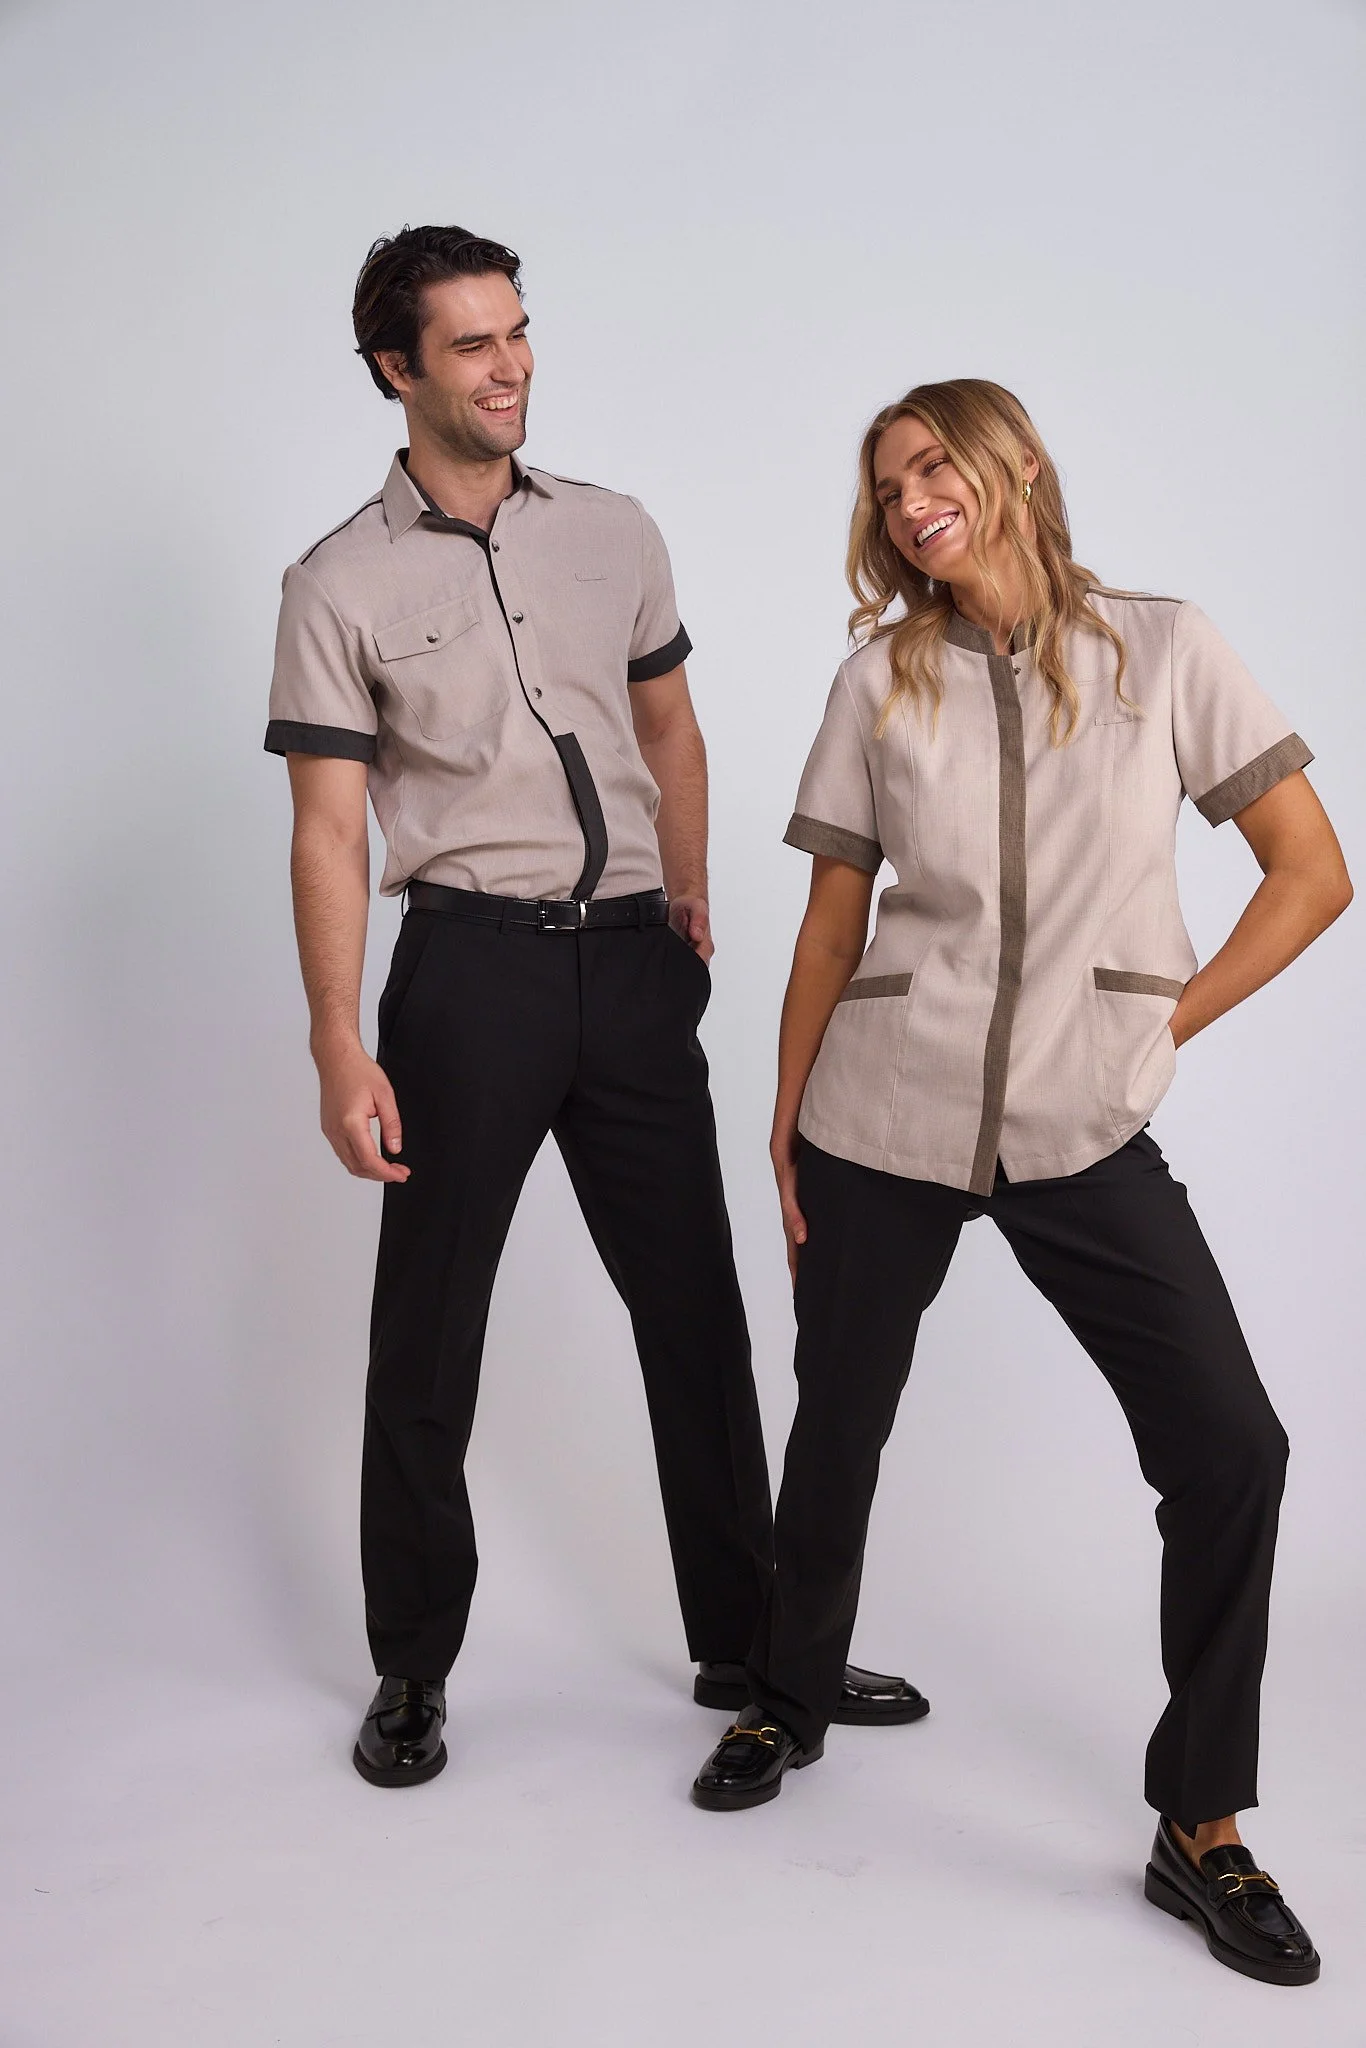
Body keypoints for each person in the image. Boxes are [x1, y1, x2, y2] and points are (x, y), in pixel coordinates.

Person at [689, 379, 1349, 1987]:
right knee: (834, 1419)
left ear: (1013, 466)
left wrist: (1155, 1022)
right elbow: (835, 921)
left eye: (934, 467)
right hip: (881, 1112)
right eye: (887, 484)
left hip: (1080, 1122)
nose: (912, 501)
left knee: (1229, 1447)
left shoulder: (1162, 646)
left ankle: (1198, 1828)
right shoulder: (876, 681)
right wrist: (781, 1116)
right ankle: (793, 1688)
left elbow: (1312, 872)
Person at [264, 224, 923, 1789]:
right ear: (395, 370)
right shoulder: (334, 583)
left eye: (519, 333)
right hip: (467, 979)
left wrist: (684, 906)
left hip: (630, 966)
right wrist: (337, 1039)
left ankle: (752, 1639)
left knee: (694, 1315)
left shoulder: (613, 532)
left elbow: (672, 726)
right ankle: (412, 1669)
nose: (512, 367)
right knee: (429, 1336)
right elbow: (326, 828)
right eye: (474, 345)